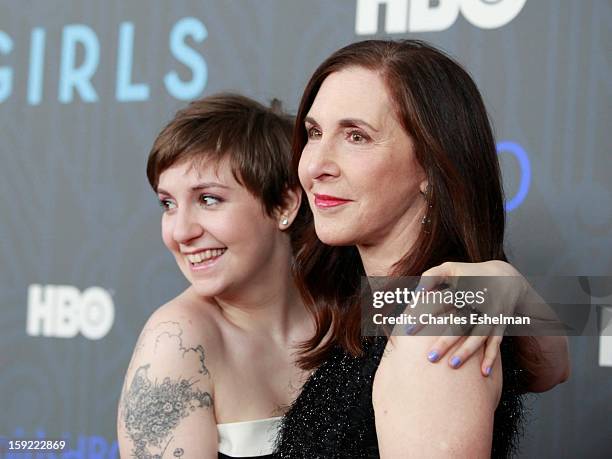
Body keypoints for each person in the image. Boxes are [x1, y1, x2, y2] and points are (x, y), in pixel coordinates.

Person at [275, 39, 569, 458]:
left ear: (432, 166)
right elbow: (554, 367)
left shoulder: (432, 323)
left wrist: (511, 290)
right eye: (315, 133)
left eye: (356, 136)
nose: (315, 165)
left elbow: (557, 362)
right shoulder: (398, 302)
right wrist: (512, 288)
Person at [117, 94, 313, 458]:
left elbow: (442, 302)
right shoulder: (176, 339)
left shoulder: (349, 304)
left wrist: (456, 284)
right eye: (168, 204)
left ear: (284, 204)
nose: (180, 232)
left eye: (208, 199)